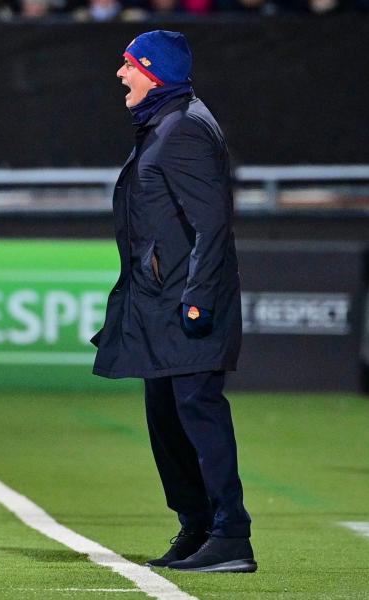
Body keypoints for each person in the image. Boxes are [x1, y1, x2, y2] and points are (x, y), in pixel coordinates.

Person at [92, 30, 256, 573]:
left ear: (154, 71)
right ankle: (197, 524)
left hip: (186, 304)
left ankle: (230, 533)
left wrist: (197, 302)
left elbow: (212, 225)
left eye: (129, 65)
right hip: (160, 302)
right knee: (166, 417)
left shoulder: (182, 129)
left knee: (197, 413)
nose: (121, 74)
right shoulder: (165, 125)